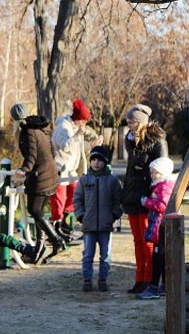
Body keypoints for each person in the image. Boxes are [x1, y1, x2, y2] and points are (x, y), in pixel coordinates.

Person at [121, 103, 168, 294]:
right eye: (128, 122)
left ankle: (150, 279)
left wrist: (152, 196)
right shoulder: (130, 140)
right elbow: (130, 171)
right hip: (132, 195)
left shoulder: (157, 141)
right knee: (137, 241)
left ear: (140, 122)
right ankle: (139, 278)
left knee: (147, 240)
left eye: (132, 122)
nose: (129, 125)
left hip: (148, 198)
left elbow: (163, 170)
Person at [9, 103, 65, 264]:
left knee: (35, 211)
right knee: (37, 211)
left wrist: (24, 169)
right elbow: (50, 152)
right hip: (48, 174)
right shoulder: (39, 129)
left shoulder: (28, 132)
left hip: (41, 176)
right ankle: (40, 246)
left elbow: (31, 155)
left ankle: (56, 240)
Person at [50, 98, 101, 239]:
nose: (85, 124)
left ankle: (64, 222)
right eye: (83, 121)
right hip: (60, 170)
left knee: (75, 195)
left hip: (70, 171)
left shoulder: (73, 128)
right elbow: (66, 146)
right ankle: (56, 226)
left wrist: (91, 145)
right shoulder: (63, 128)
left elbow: (77, 147)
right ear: (78, 119)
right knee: (58, 200)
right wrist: (78, 134)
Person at [73, 146, 122, 292]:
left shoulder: (112, 180)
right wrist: (80, 215)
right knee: (88, 254)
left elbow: (118, 200)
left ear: (105, 162)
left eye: (99, 160)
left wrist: (114, 215)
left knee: (105, 254)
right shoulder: (84, 179)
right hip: (88, 224)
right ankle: (87, 279)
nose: (96, 163)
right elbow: (77, 199)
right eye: (93, 159)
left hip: (106, 225)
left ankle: (103, 279)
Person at [137, 157, 176, 300]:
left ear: (163, 173)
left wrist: (146, 202)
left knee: (158, 258)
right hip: (157, 226)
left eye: (155, 173)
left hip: (160, 227)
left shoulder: (164, 186)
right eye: (151, 172)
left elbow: (163, 206)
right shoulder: (159, 185)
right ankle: (163, 285)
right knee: (160, 257)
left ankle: (154, 286)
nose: (152, 175)